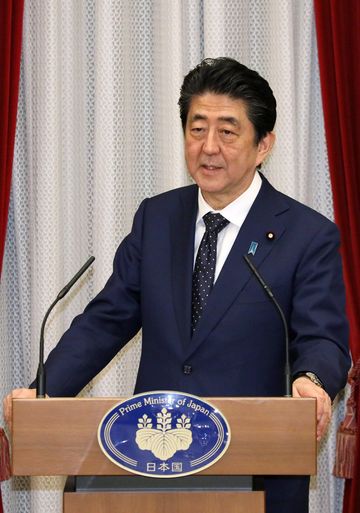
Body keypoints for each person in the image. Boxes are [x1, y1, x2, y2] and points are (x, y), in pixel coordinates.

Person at [4, 57, 350, 513]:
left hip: (257, 473)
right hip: (153, 467)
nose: (209, 147)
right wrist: (44, 393)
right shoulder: (157, 218)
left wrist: (312, 380)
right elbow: (107, 319)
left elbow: (323, 336)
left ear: (264, 144)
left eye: (228, 132)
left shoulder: (306, 234)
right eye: (197, 128)